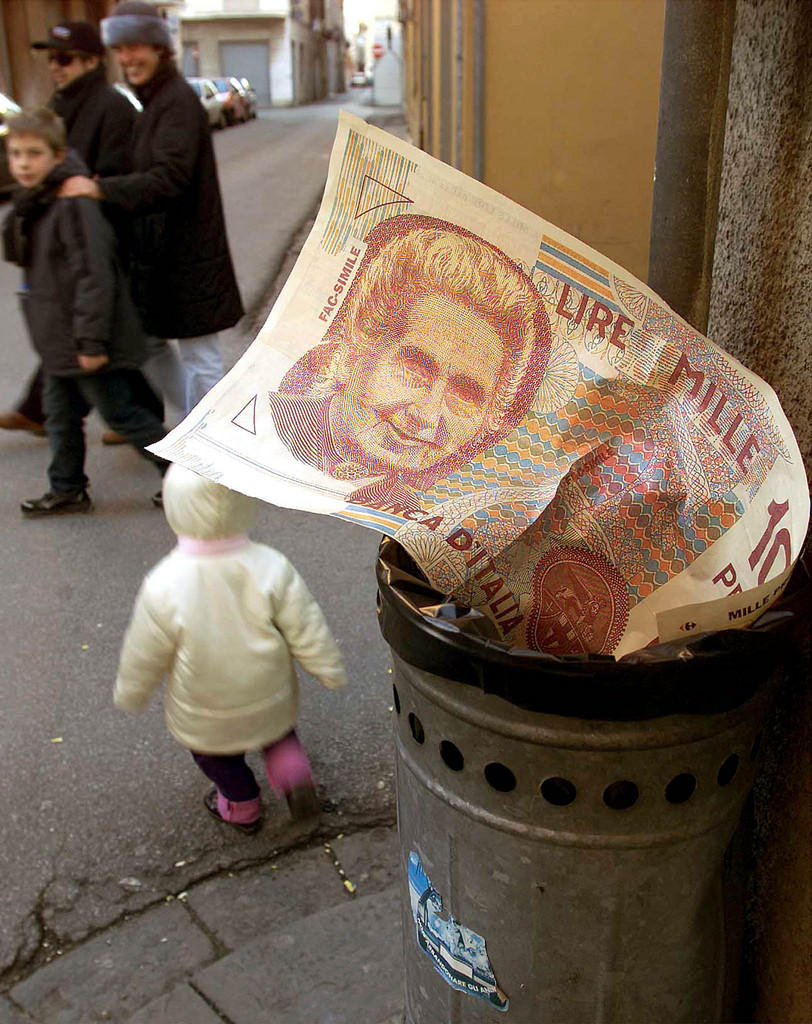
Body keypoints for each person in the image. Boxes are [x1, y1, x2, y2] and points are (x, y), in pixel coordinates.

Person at [114, 464, 348, 832]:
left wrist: (132, 692)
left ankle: (242, 806)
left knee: (217, 757)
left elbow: (145, 650)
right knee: (277, 736)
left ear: (175, 508)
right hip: (267, 689)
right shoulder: (271, 565)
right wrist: (327, 667)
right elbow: (305, 624)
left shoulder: (163, 583)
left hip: (206, 702)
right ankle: (292, 773)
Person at [269, 214, 551, 508]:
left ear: (486, 422)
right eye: (415, 370)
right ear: (356, 352)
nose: (426, 416)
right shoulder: (268, 421)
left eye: (465, 396)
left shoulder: (413, 519)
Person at [61, 0, 244, 418]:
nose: (128, 58)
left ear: (160, 48)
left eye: (137, 47)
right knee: (154, 347)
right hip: (164, 259)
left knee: (201, 361)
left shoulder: (176, 103)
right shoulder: (156, 103)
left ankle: (211, 454)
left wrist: (98, 189)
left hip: (189, 257)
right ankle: (194, 439)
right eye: (121, 49)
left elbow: (168, 179)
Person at [0, 20, 161, 441]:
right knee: (71, 340)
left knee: (90, 341)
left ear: (91, 61)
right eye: (51, 58)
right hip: (63, 235)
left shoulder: (112, 106)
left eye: (64, 58)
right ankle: (53, 424)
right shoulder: (62, 101)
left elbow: (118, 175)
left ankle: (145, 430)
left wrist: (84, 190)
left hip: (94, 233)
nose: (55, 65)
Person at [4, 109, 167, 516]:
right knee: (59, 417)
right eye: (16, 154)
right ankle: (67, 488)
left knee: (123, 415)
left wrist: (91, 341)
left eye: (34, 153)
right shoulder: (40, 201)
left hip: (87, 339)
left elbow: (94, 278)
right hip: (60, 338)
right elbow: (17, 253)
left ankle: (191, 478)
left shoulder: (73, 206)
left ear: (58, 156)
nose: (23, 163)